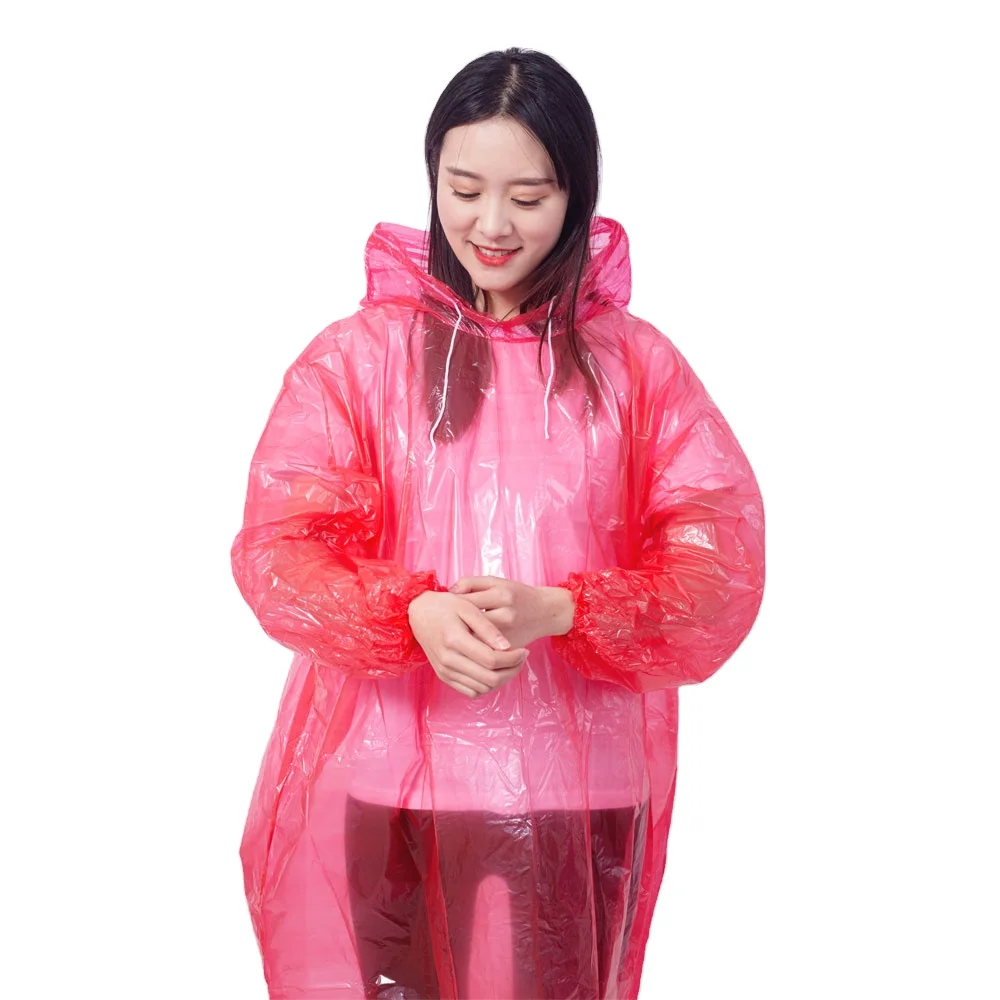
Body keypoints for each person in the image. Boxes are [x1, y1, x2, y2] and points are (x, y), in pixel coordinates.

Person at [230, 46, 766, 1000]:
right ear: (431, 177)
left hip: (578, 789)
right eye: (464, 188)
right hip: (393, 776)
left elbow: (718, 569)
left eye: (528, 196)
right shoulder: (362, 359)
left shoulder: (636, 368)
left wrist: (566, 609)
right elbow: (281, 549)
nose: (490, 224)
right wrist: (411, 613)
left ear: (577, 195)